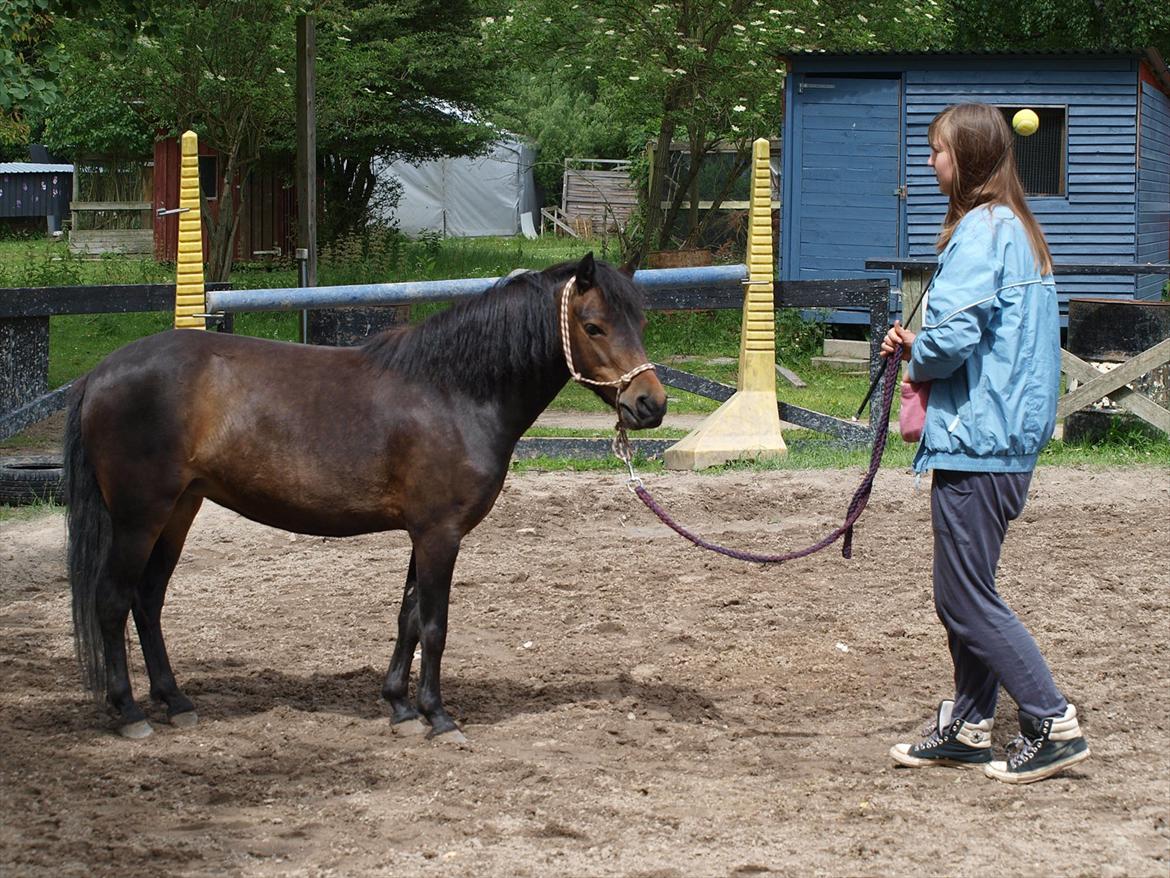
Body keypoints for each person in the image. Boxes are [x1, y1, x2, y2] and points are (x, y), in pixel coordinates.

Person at [880, 102, 1089, 784]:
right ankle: (971, 724)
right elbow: (987, 334)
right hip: (1002, 437)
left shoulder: (979, 230)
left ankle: (1051, 719)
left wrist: (919, 353)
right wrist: (925, 343)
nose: (932, 162)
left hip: (977, 440)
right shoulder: (1018, 230)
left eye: (939, 151)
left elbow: (957, 338)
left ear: (967, 159)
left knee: (966, 597)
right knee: (961, 591)